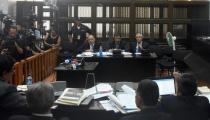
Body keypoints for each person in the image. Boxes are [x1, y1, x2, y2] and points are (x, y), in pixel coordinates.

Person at [0, 54, 28, 120]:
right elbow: (26, 107)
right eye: (13, 69)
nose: (14, 72)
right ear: (4, 73)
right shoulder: (7, 90)